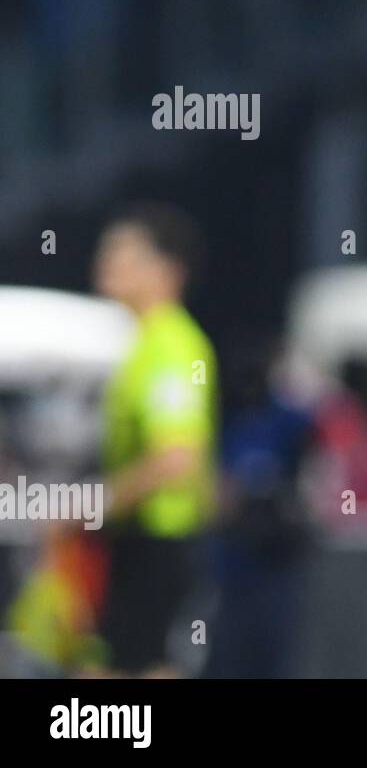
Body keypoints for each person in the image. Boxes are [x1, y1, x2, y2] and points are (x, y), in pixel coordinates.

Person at [89, 203, 219, 677]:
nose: (105, 265)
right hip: (137, 542)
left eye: (122, 254)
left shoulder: (170, 347)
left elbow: (177, 457)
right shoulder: (140, 343)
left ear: (166, 270)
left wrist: (97, 502)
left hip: (162, 542)